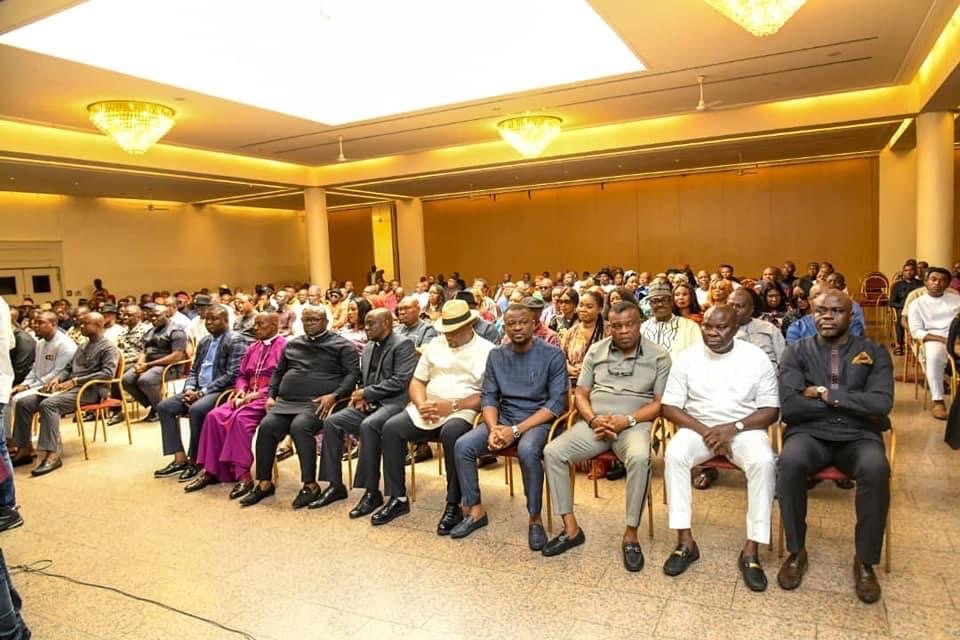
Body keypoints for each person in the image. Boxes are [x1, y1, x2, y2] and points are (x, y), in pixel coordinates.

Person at [777, 290, 893, 603]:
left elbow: (881, 404)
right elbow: (790, 407)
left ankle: (865, 561)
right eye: (820, 311)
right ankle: (796, 551)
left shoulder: (874, 352)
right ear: (812, 313)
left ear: (851, 315)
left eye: (836, 311)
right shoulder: (796, 351)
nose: (827, 316)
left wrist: (826, 394)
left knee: (876, 468)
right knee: (789, 462)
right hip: (809, 435)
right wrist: (855, 404)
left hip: (859, 436)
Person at [542, 302, 670, 570]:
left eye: (629, 324)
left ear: (640, 323)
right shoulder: (597, 351)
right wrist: (592, 418)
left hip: (634, 423)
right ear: (609, 326)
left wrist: (628, 420)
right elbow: (581, 393)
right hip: (596, 423)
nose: (623, 331)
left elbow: (660, 404)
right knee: (553, 452)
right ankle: (571, 529)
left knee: (639, 459)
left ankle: (631, 534)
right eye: (616, 326)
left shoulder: (659, 356)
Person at [660, 305, 779, 592]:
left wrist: (733, 428)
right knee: (675, 455)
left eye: (721, 327)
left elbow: (770, 410)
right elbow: (669, 406)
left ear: (736, 329)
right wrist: (707, 432)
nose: (712, 333)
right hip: (698, 428)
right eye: (707, 326)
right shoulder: (687, 358)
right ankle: (685, 542)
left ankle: (751, 550)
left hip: (744, 429)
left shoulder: (756, 358)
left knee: (763, 462)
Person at [449, 304, 568, 550]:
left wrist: (515, 431)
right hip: (504, 418)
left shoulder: (552, 354)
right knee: (463, 445)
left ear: (534, 324)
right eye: (511, 324)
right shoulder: (496, 355)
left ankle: (535, 518)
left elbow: (557, 403)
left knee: (527, 450)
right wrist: (494, 428)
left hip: (538, 420)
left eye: (523, 322)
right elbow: (489, 396)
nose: (517, 328)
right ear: (504, 327)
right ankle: (476, 510)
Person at [371, 300, 496, 530]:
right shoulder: (436, 344)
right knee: (391, 428)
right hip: (427, 407)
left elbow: (489, 394)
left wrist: (454, 406)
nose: (448, 336)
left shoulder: (487, 350)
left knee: (452, 434)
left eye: (453, 331)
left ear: (469, 326)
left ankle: (453, 503)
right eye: (446, 330)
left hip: (464, 408)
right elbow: (417, 381)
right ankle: (397, 498)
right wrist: (421, 404)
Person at [240, 307, 360, 507]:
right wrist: (271, 396)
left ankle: (310, 485)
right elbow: (279, 373)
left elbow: (352, 375)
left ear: (326, 321)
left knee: (300, 427)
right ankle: (264, 483)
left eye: (315, 319)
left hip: (319, 402)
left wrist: (335, 396)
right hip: (287, 402)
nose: (309, 323)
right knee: (267, 426)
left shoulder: (342, 345)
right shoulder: (294, 344)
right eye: (306, 320)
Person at [311, 309, 418, 515]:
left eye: (371, 324)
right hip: (369, 403)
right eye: (366, 324)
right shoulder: (369, 346)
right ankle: (335, 485)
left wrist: (367, 394)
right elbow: (362, 378)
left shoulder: (403, 344)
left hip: (394, 403)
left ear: (386, 323)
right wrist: (360, 396)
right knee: (333, 422)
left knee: (368, 426)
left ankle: (371, 491)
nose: (365, 328)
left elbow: (401, 381)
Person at [184, 313, 287, 496]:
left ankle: (243, 475)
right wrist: (241, 389)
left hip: (269, 398)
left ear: (274, 325)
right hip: (245, 395)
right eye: (255, 323)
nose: (255, 327)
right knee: (214, 416)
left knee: (239, 419)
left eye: (260, 324)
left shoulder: (285, 347)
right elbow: (241, 375)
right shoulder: (253, 347)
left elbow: (285, 379)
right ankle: (211, 470)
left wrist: (259, 394)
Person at [11, 313, 120, 476]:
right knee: (24, 403)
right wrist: (58, 378)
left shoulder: (108, 347)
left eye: (85, 324)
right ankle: (24, 449)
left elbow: (107, 374)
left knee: (49, 405)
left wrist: (76, 381)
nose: (81, 326)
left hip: (91, 390)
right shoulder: (83, 346)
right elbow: (68, 368)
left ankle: (53, 454)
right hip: (71, 387)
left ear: (98, 325)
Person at [153, 307, 246, 482]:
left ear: (226, 321)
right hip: (197, 389)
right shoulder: (205, 341)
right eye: (207, 319)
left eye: (214, 319)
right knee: (164, 407)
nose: (209, 322)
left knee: (196, 409)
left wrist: (202, 392)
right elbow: (194, 370)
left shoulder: (235, 340)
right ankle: (179, 458)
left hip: (221, 390)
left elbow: (232, 374)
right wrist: (189, 388)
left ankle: (196, 460)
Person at [6, 311, 76, 452]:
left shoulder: (65, 344)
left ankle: (20, 445)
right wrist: (24, 384)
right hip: (38, 384)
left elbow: (58, 374)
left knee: (18, 400)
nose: (35, 325)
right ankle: (16, 443)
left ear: (54, 324)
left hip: (55, 387)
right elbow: (35, 370)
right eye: (35, 322)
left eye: (40, 322)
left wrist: (29, 387)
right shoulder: (40, 343)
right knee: (8, 396)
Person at [908, 267, 960, 420]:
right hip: (933, 339)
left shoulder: (956, 300)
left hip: (957, 337)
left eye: (942, 280)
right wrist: (943, 340)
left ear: (948, 284)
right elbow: (916, 331)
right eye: (933, 279)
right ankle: (938, 401)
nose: (937, 283)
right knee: (933, 356)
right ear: (926, 281)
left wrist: (955, 339)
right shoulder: (917, 304)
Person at [121, 304, 188, 422]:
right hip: (149, 365)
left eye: (157, 316)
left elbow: (176, 356)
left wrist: (148, 365)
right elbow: (144, 351)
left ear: (167, 314)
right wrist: (139, 364)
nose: (153, 318)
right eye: (151, 316)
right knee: (127, 379)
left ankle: (159, 409)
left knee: (145, 380)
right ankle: (155, 405)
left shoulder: (176, 331)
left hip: (170, 367)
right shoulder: (150, 331)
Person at [641, 282, 701, 356]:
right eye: (655, 301)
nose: (660, 304)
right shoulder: (643, 328)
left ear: (671, 302)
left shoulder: (690, 327)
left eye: (664, 300)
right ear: (650, 304)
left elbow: (698, 354)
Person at [729, 289, 785, 366]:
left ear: (751, 309)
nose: (733, 309)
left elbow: (783, 360)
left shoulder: (769, 328)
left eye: (739, 306)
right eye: (730, 305)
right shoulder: (719, 331)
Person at [561, 290, 605, 384]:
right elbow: (561, 357)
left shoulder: (608, 331)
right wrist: (568, 368)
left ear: (600, 309)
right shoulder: (571, 332)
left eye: (589, 307)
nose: (583, 309)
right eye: (581, 305)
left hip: (600, 382)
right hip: (575, 382)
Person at [889, 262, 923, 356]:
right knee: (900, 317)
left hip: (918, 309)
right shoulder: (897, 285)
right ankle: (899, 345)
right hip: (903, 309)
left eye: (911, 270)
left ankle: (920, 342)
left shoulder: (921, 284)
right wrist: (903, 306)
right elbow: (891, 302)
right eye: (906, 270)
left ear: (915, 271)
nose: (909, 272)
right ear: (903, 272)